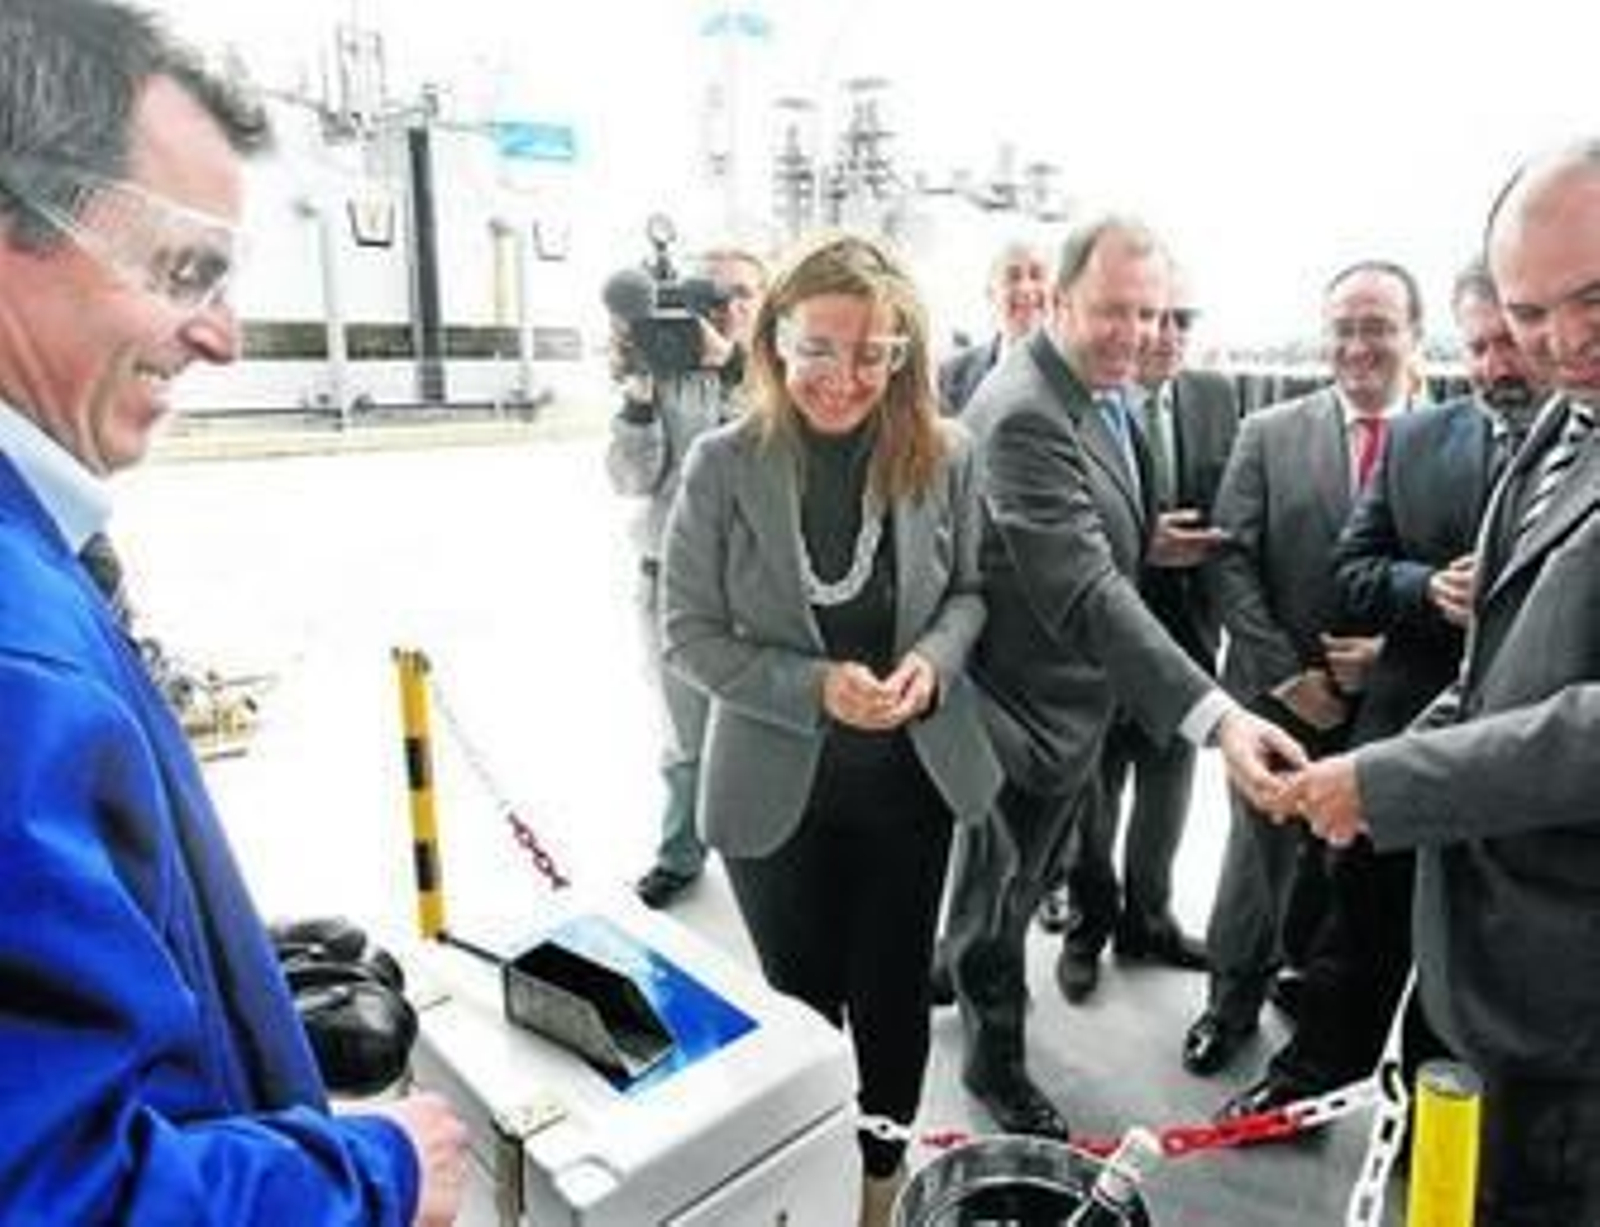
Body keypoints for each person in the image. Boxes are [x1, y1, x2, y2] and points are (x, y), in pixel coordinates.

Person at [0, 2, 467, 1224]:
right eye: (182, 269)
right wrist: (380, 1176)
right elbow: (57, 1194)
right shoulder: (15, 657)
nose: (219, 333)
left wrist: (208, 958)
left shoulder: (40, 553)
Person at [660, 233, 1002, 1225]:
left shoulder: (945, 454)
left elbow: (973, 593)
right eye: (818, 349)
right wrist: (814, 688)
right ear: (774, 341)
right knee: (800, 1015)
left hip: (907, 791)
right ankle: (804, 1190)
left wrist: (931, 666)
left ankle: (874, 1198)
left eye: (871, 354)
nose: (843, 379)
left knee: (893, 1005)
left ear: (904, 354)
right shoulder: (723, 465)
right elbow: (687, 634)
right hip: (775, 798)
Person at [1287, 141, 1600, 1225]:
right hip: (1481, 955)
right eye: (1528, 312)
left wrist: (1392, 784)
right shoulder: (1558, 422)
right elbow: (1494, 668)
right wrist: (1376, 763)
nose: (1560, 340)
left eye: (1593, 298)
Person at [942, 214, 1305, 1139]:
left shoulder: (1108, 394)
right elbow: (1089, 589)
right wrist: (1219, 718)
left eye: (1152, 314)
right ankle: (994, 1060)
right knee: (1004, 898)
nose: (1138, 334)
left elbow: (1092, 536)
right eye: (1113, 311)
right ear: (1058, 301)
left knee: (1010, 886)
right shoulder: (1024, 409)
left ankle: (955, 969)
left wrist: (1144, 536)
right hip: (1022, 712)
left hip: (1081, 700)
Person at [1219, 259, 1549, 1121]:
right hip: (1404, 728)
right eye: (1477, 343)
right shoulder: (1418, 442)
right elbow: (1351, 572)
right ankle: (1307, 1080)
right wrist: (1426, 589)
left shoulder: (1575, 458)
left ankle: (1435, 1117)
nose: (1493, 365)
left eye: (1509, 340)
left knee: (1474, 956)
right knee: (1356, 932)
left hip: (1528, 767)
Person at [1180, 260, 1414, 1078]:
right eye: (1344, 327)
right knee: (1259, 852)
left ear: (1411, 334)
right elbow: (1230, 563)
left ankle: (1317, 1005)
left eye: (1377, 326)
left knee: (1354, 870)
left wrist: (1386, 661)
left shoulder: (1448, 439)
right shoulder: (1268, 433)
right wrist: (1290, 676)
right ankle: (1227, 1003)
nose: (1358, 345)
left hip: (1395, 702)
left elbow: (1458, 577)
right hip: (1278, 696)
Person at [1057, 266, 1239, 1002]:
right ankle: (1086, 930)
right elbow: (1063, 535)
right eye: (1152, 318)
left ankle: (1149, 919)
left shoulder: (1216, 396)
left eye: (1180, 320)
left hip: (1187, 640)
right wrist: (1139, 541)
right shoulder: (1085, 404)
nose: (1165, 335)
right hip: (1101, 646)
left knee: (1167, 796)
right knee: (1093, 804)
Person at [606, 245, 767, 909]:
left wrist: (730, 366)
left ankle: (768, 854)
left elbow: (772, 458)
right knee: (683, 731)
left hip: (753, 586)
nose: (728, 308)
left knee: (762, 727)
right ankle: (680, 851)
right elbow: (629, 479)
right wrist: (639, 398)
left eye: (742, 294)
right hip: (669, 578)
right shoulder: (661, 371)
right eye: (714, 294)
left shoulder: (778, 374)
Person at [937, 236, 1052, 414]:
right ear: (991, 294)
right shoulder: (951, 376)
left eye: (1037, 276)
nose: (1026, 288)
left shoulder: (1082, 374)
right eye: (1013, 277)